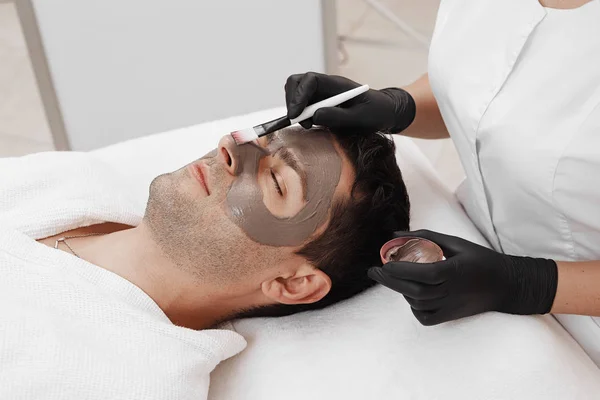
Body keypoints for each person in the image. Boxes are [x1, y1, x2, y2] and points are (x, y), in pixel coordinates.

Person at [283, 0, 600, 366]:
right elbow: (488, 89)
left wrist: (529, 284)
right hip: (476, 249)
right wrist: (398, 106)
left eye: (279, 182)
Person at [0, 126, 409, 398]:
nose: (230, 149)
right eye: (258, 142)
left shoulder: (129, 380)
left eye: (276, 180)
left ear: (292, 284)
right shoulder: (71, 180)